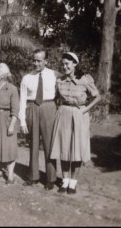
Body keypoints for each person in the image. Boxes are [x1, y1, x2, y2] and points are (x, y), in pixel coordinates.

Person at [50, 52, 101, 194]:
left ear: (75, 64)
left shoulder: (85, 80)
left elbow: (97, 97)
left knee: (77, 150)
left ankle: (73, 183)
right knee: (64, 149)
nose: (64, 66)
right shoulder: (60, 80)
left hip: (79, 115)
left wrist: (85, 110)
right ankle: (65, 181)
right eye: (63, 64)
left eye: (67, 64)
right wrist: (58, 110)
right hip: (64, 114)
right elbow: (55, 98)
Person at [19, 49, 60, 190]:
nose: (35, 63)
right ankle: (33, 176)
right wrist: (22, 121)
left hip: (49, 108)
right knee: (33, 144)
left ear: (46, 61)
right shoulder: (26, 78)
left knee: (50, 144)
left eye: (39, 60)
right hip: (32, 108)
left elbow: (63, 94)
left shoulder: (55, 75)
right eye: (34, 60)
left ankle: (51, 178)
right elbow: (22, 100)